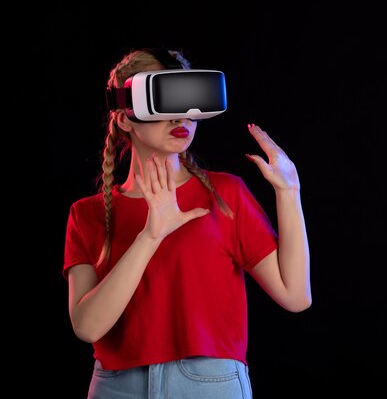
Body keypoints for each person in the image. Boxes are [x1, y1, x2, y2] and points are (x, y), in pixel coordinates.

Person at [62, 48, 311, 399]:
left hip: (211, 385)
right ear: (123, 118)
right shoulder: (86, 214)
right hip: (116, 387)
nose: (182, 119)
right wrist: (150, 235)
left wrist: (290, 192)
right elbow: (87, 327)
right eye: (166, 103)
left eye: (189, 104)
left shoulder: (225, 195)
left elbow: (296, 296)